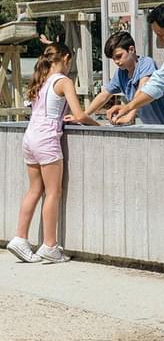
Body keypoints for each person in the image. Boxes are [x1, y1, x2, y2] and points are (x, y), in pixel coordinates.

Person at [7, 44, 99, 264]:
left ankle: (20, 238)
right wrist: (96, 123)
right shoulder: (64, 81)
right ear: (66, 58)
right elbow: (79, 114)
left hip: (30, 138)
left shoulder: (41, 80)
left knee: (34, 189)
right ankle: (50, 245)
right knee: (53, 193)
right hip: (47, 140)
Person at [84, 31, 164, 126]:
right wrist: (84, 115)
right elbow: (104, 95)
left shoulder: (146, 63)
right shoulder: (120, 73)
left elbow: (142, 91)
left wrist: (129, 116)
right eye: (113, 58)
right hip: (154, 126)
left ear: (131, 50)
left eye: (119, 56)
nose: (116, 61)